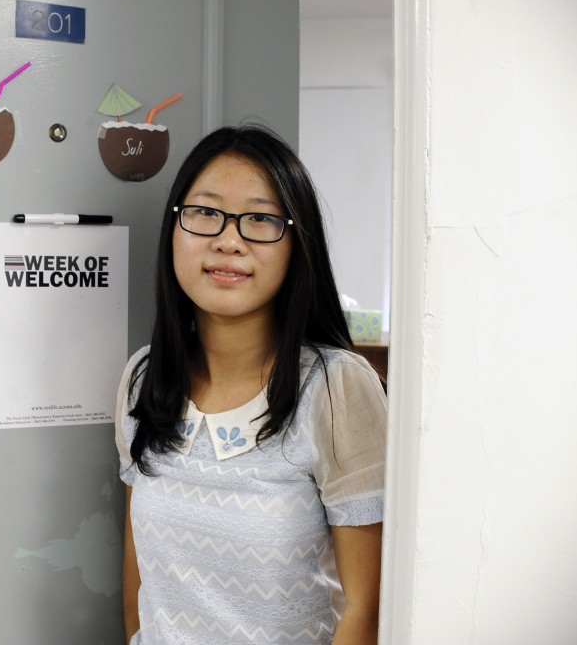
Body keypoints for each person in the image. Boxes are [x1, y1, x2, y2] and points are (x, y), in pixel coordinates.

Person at [114, 125, 387, 645]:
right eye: (205, 212)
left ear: (297, 243)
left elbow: (367, 611)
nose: (228, 240)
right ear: (174, 227)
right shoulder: (144, 377)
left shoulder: (336, 387)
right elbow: (140, 583)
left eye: (260, 219)